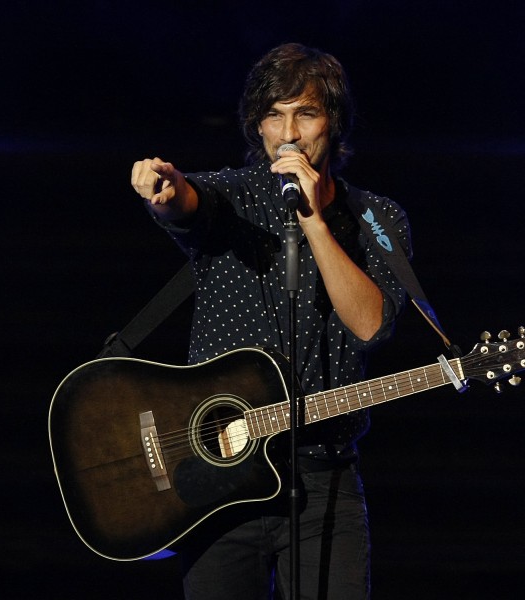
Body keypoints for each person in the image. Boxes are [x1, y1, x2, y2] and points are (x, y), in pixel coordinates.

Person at [131, 42, 411, 600]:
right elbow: (188, 201)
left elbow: (370, 326)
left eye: (305, 114)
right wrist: (164, 192)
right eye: (273, 116)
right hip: (220, 482)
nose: (288, 134)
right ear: (257, 127)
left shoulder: (377, 218)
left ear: (334, 123)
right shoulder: (233, 197)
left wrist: (312, 221)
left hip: (323, 480)